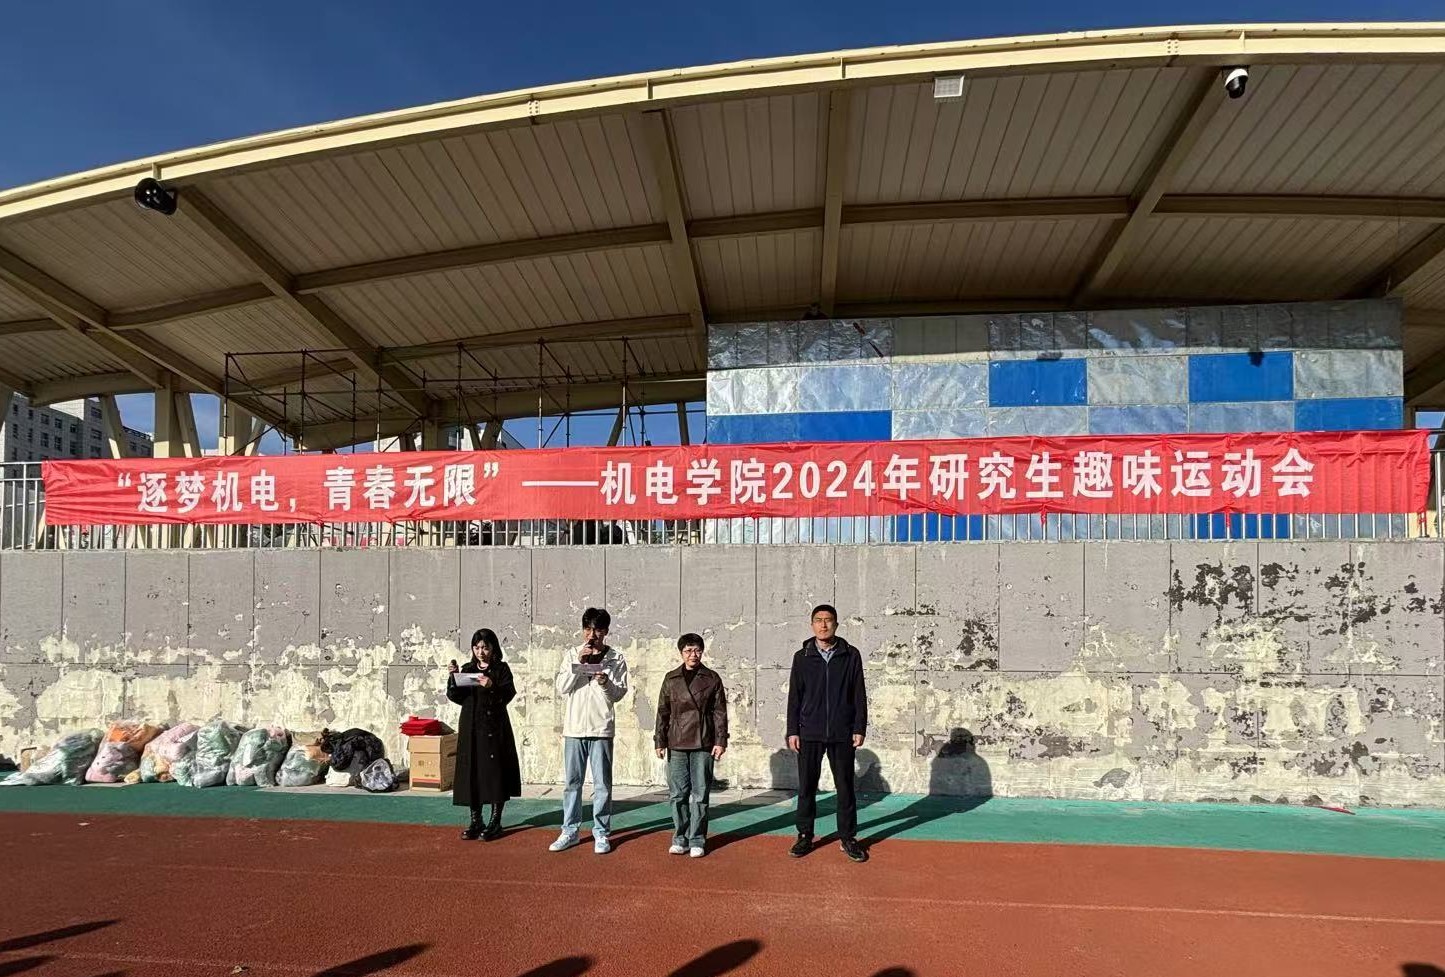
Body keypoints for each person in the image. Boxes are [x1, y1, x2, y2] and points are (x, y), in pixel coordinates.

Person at [786, 603, 869, 863]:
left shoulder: (850, 654)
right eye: (818, 620)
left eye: (828, 620)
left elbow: (859, 693)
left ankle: (848, 837)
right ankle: (804, 835)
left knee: (845, 788)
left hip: (842, 732)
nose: (823, 625)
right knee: (807, 787)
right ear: (812, 625)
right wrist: (792, 730)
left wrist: (859, 727)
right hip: (809, 732)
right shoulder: (802, 657)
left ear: (836, 624)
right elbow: (794, 696)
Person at [551, 607, 629, 854]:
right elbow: (562, 687)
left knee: (602, 784)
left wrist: (605, 682)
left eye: (597, 630)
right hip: (574, 728)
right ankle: (570, 831)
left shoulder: (616, 658)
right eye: (587, 629)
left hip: (601, 728)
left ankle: (601, 833)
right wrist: (579, 662)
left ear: (605, 631)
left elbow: (619, 693)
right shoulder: (572, 654)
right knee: (572, 783)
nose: (591, 635)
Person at [654, 633, 729, 857]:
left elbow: (719, 712)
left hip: (703, 741)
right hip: (676, 741)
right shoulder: (671, 679)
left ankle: (697, 839)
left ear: (702, 652)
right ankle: (680, 837)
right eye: (688, 650)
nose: (693, 655)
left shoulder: (712, 678)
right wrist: (659, 740)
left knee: (700, 793)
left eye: (697, 650)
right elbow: (663, 711)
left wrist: (720, 741)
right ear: (681, 653)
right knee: (677, 794)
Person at [447, 628, 521, 841]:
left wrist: (491, 686)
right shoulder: (468, 669)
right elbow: (456, 696)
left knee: (495, 772)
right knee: (472, 772)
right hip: (472, 728)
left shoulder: (501, 669)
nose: (481, 652)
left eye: (485, 648)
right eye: (477, 647)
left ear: (493, 648)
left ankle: (495, 821)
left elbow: (508, 694)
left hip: (494, 728)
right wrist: (453, 677)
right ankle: (476, 820)